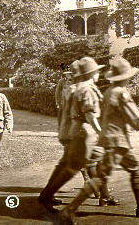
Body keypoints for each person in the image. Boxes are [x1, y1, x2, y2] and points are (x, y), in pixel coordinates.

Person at [57, 58, 139, 224]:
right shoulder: (121, 93)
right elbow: (135, 118)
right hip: (116, 142)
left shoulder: (109, 92)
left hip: (112, 141)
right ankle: (69, 210)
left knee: (135, 170)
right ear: (125, 77)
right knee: (102, 177)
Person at [38, 57, 105, 212]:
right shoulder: (81, 89)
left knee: (68, 165)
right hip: (82, 132)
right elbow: (84, 114)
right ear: (91, 73)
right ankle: (100, 195)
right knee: (74, 167)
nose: (98, 74)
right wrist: (100, 131)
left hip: (73, 130)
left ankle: (46, 195)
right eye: (96, 71)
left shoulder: (74, 88)